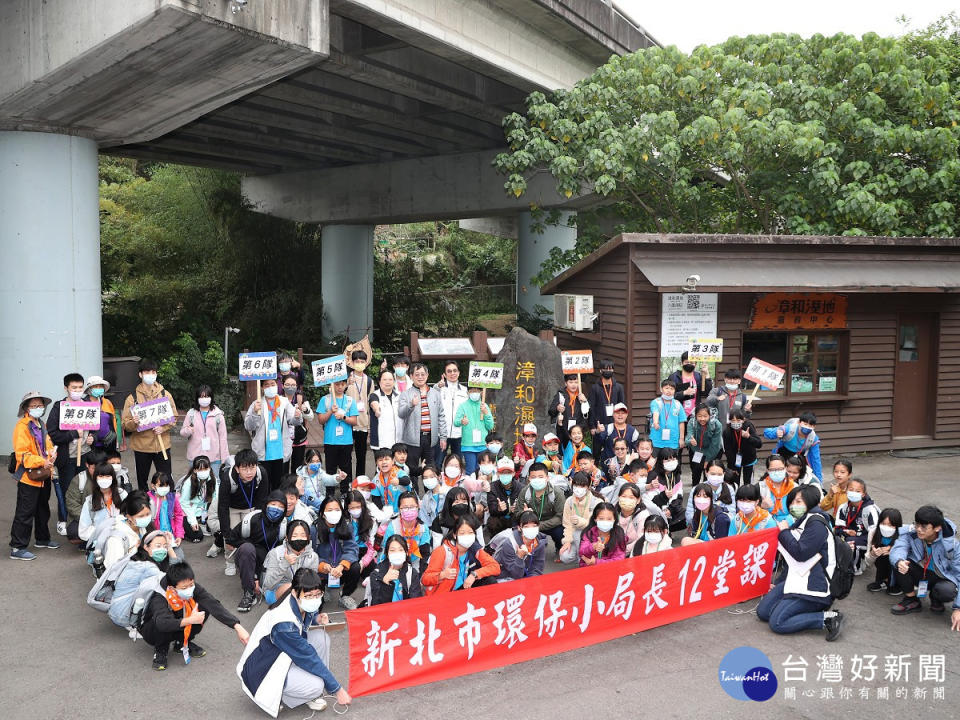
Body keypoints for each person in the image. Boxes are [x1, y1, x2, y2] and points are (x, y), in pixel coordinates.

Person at [238, 568, 352, 714]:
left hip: (278, 654)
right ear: (294, 592)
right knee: (317, 685)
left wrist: (316, 620)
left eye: (318, 594)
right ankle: (279, 693)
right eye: (309, 595)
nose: (314, 599)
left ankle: (302, 690)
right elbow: (309, 657)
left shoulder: (298, 599)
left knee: (321, 637)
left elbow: (304, 621)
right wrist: (337, 690)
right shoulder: (283, 625)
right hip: (262, 669)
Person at [756, 485, 843, 640]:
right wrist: (779, 582)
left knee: (777, 622)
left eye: (799, 501)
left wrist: (784, 532)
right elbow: (791, 560)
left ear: (810, 502)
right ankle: (795, 608)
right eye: (792, 502)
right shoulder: (803, 520)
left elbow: (800, 553)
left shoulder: (816, 523)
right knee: (763, 612)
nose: (793, 506)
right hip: (798, 578)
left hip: (814, 585)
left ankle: (827, 618)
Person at [142, 562, 249, 671]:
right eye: (184, 588)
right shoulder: (159, 596)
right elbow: (162, 623)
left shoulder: (191, 585)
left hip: (178, 620)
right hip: (152, 630)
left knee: (204, 607)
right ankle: (160, 650)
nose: (189, 589)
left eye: (191, 584)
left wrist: (237, 626)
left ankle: (181, 643)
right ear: (172, 588)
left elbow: (212, 603)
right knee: (162, 622)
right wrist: (190, 620)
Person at [890, 505, 960, 629]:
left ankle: (936, 598)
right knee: (899, 564)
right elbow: (899, 548)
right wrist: (899, 560)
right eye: (917, 524)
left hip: (941, 577)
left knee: (947, 590)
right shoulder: (911, 533)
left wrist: (958, 608)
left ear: (937, 528)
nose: (919, 529)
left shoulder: (953, 546)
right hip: (921, 572)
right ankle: (911, 600)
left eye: (924, 526)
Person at [9, 391, 59, 560]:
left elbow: (47, 444)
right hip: (29, 476)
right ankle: (17, 547)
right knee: (25, 512)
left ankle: (42, 539)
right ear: (26, 408)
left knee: (42, 509)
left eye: (40, 405)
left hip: (43, 474)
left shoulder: (41, 424)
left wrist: (52, 453)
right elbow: (21, 455)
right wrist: (42, 461)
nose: (38, 408)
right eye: (34, 405)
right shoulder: (22, 426)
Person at [47, 373, 94, 533]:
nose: (77, 390)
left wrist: (91, 438)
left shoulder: (89, 406)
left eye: (80, 387)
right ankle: (63, 518)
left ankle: (82, 520)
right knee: (67, 490)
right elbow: (52, 433)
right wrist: (73, 434)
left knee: (86, 488)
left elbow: (95, 428)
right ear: (66, 388)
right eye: (74, 388)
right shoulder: (59, 407)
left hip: (85, 455)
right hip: (67, 458)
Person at [121, 359, 177, 492]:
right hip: (142, 447)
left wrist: (163, 428)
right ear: (140, 374)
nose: (151, 374)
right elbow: (125, 424)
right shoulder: (132, 398)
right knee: (142, 481)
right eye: (147, 372)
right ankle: (144, 508)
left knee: (166, 479)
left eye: (153, 372)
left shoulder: (165, 394)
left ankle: (169, 507)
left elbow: (173, 417)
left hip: (162, 444)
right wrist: (134, 423)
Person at [230, 490, 288, 613]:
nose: (276, 509)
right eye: (273, 504)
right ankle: (248, 593)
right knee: (247, 549)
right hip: (249, 558)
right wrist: (252, 545)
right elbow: (231, 538)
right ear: (266, 504)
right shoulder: (253, 519)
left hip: (270, 563)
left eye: (281, 507)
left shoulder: (283, 526)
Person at [107, 529, 174, 632]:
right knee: (163, 593)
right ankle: (140, 625)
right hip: (125, 616)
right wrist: (171, 550)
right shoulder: (148, 567)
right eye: (158, 546)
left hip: (116, 610)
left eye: (165, 546)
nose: (163, 550)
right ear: (146, 547)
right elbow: (175, 578)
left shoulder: (135, 559)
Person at [246, 378, 305, 491]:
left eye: (272, 384)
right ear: (262, 388)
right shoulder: (257, 403)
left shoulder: (283, 402)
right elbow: (249, 426)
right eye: (266, 385)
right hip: (263, 452)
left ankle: (279, 507)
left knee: (280, 486)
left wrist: (298, 416)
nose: (270, 387)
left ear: (277, 385)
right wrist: (254, 412)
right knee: (264, 486)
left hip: (280, 452)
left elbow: (295, 421)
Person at [219, 450, 270, 575]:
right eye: (244, 468)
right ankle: (230, 562)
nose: (249, 472)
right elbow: (223, 507)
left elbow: (262, 499)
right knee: (231, 536)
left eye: (252, 468)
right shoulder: (227, 478)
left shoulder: (261, 474)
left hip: (252, 507)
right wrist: (226, 535)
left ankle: (252, 562)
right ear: (237, 468)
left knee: (252, 535)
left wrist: (257, 520)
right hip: (232, 508)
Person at [421, 514, 500, 594]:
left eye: (470, 532)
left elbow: (495, 567)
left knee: (490, 580)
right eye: (462, 533)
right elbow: (425, 579)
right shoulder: (442, 551)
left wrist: (474, 574)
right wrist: (442, 575)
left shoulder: (474, 549)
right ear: (455, 535)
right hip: (444, 595)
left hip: (464, 590)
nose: (467, 536)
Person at [397, 363, 447, 483]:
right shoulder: (406, 394)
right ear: (411, 376)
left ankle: (430, 494)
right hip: (412, 439)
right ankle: (412, 495)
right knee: (412, 470)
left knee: (430, 469)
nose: (420, 377)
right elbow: (401, 414)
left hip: (431, 438)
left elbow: (441, 415)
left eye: (423, 374)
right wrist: (411, 405)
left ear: (427, 375)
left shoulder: (435, 393)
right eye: (417, 374)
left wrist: (443, 437)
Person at [313, 497, 360, 609]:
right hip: (321, 571)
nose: (334, 513)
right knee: (317, 605)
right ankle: (323, 589)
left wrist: (341, 565)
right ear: (322, 513)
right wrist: (322, 565)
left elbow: (352, 548)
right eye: (329, 510)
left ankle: (345, 595)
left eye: (337, 510)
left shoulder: (347, 526)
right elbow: (310, 554)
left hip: (339, 569)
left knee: (355, 567)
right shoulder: (314, 529)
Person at [262, 519, 320, 604]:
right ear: (287, 537)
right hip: (276, 591)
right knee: (290, 588)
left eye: (303, 535)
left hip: (302, 591)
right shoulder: (276, 553)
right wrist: (285, 563)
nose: (299, 538)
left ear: (308, 537)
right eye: (294, 535)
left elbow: (312, 583)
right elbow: (268, 584)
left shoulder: (313, 556)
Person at [512, 463, 565, 555]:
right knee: (515, 528)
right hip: (530, 523)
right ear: (529, 478)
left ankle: (559, 548)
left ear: (547, 477)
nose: (537, 480)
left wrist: (540, 525)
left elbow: (560, 517)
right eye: (533, 477)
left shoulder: (557, 493)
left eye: (541, 477)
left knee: (560, 531)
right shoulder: (525, 492)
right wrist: (523, 514)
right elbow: (517, 512)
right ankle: (523, 548)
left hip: (550, 523)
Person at [180, 385, 230, 479]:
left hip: (214, 458)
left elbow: (223, 438)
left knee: (214, 482)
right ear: (197, 398)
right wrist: (188, 430)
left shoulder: (218, 415)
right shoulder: (191, 413)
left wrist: (224, 458)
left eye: (207, 396)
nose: (204, 399)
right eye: (202, 397)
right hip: (195, 456)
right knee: (194, 483)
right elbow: (182, 432)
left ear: (211, 398)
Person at [99, 491, 155, 570]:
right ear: (129, 517)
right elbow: (112, 567)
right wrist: (133, 551)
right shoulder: (116, 538)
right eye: (141, 516)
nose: (146, 518)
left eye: (148, 514)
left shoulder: (143, 527)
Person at [379, 491, 433, 573]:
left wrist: (421, 575)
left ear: (418, 507)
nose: (409, 510)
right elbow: (386, 552)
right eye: (405, 507)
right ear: (399, 509)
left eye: (412, 507)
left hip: (415, 564)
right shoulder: (392, 527)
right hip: (395, 563)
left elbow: (425, 554)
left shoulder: (423, 528)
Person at [835, 477, 879, 574]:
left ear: (863, 494)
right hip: (849, 536)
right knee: (837, 540)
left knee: (852, 543)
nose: (854, 492)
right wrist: (846, 532)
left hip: (867, 539)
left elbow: (874, 532)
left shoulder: (870, 509)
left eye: (858, 491)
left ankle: (856, 567)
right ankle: (845, 563)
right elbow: (838, 529)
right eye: (851, 490)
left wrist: (869, 553)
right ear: (846, 490)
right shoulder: (843, 508)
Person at [763, 411, 822, 482]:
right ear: (799, 422)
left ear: (814, 427)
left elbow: (816, 460)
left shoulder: (813, 438)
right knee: (776, 473)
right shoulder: (789, 428)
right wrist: (776, 432)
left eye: (810, 426)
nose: (807, 427)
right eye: (805, 424)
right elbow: (766, 432)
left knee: (801, 475)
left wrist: (819, 481)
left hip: (799, 456)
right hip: (783, 452)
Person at [78, 463, 127, 548]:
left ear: (113, 478)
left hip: (122, 540)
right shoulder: (90, 502)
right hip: (100, 545)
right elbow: (83, 530)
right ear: (95, 478)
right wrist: (102, 534)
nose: (104, 479)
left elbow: (130, 519)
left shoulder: (122, 495)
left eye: (107, 476)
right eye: (101, 476)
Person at [490, 511, 546, 581]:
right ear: (519, 527)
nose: (531, 529)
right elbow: (516, 575)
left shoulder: (539, 543)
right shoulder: (510, 543)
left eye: (534, 526)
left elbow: (537, 569)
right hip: (505, 576)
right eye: (526, 526)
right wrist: (520, 557)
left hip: (524, 574)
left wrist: (532, 581)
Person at [65, 449, 106, 544]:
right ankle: (88, 542)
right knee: (73, 533)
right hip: (85, 517)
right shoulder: (79, 480)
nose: (98, 472)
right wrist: (89, 519)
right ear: (87, 465)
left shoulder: (110, 477)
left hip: (106, 515)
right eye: (94, 468)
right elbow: (72, 504)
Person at [558, 472, 600, 564]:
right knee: (565, 557)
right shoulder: (569, 502)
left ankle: (582, 561)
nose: (578, 489)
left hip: (593, 537)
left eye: (582, 486)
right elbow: (567, 524)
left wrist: (580, 522)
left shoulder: (596, 502)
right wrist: (567, 541)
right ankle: (581, 557)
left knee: (578, 533)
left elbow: (597, 525)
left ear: (588, 487)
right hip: (575, 539)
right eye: (576, 485)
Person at [369, 535, 425, 604]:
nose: (397, 553)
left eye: (400, 550)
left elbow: (415, 603)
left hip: (404, 613)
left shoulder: (411, 574)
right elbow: (376, 605)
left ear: (406, 553)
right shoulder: (376, 573)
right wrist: (385, 582)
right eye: (392, 550)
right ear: (387, 554)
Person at [453, 385, 495, 475]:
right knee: (471, 471)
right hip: (468, 445)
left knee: (482, 470)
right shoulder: (463, 406)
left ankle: (482, 489)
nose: (474, 393)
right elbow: (456, 422)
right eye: (472, 391)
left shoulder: (484, 406)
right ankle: (469, 488)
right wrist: (462, 421)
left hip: (482, 445)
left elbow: (490, 426)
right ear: (468, 393)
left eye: (476, 391)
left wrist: (486, 413)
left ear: (481, 392)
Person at [344, 350, 373, 476]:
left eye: (362, 361)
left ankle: (360, 481)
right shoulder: (345, 378)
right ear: (352, 362)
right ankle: (348, 481)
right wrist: (346, 385)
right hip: (347, 422)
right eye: (357, 361)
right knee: (346, 455)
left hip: (362, 423)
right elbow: (336, 394)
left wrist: (370, 426)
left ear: (366, 363)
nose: (359, 364)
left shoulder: (370, 381)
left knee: (361, 455)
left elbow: (372, 404)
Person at [434, 360, 468, 466]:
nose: (452, 373)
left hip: (460, 433)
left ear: (459, 372)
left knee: (457, 463)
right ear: (444, 374)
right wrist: (437, 387)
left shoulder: (465, 390)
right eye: (449, 371)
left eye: (455, 370)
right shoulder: (439, 389)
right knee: (438, 463)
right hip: (442, 433)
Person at [587, 359, 626, 453]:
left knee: (613, 449)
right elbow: (591, 407)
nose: (608, 371)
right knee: (597, 451)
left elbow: (622, 406)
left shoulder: (619, 387)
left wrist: (621, 422)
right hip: (600, 424)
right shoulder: (595, 388)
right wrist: (592, 426)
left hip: (614, 423)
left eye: (610, 369)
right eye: (605, 369)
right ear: (600, 371)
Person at [179, 456, 217, 546]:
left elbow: (216, 498)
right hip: (188, 511)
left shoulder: (212, 479)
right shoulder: (188, 483)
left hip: (204, 510)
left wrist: (212, 514)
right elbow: (184, 503)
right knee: (197, 536)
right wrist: (192, 521)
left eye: (206, 468)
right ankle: (181, 526)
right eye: (200, 469)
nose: (203, 471)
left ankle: (201, 522)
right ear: (195, 470)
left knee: (215, 529)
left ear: (209, 468)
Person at [684, 459, 735, 525]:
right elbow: (689, 515)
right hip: (700, 526)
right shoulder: (696, 489)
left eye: (719, 474)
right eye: (713, 474)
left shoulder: (729, 489)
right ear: (706, 473)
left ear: (724, 474)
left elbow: (731, 514)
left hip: (722, 527)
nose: (716, 477)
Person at [865, 508, 904, 595]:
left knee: (893, 558)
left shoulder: (902, 534)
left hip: (899, 563)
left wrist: (892, 551)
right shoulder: (873, 532)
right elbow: (868, 562)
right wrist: (873, 554)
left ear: (897, 526)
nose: (886, 527)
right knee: (882, 556)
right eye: (883, 524)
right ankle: (883, 580)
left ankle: (897, 583)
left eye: (890, 525)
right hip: (881, 562)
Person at [615, 483, 661, 555]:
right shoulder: (613, 513)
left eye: (631, 497)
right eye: (624, 496)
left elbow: (640, 539)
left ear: (638, 500)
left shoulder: (642, 515)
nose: (627, 500)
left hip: (635, 552)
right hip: (614, 553)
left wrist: (623, 551)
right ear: (618, 497)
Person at [721, 409, 763, 485]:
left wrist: (748, 437)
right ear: (729, 421)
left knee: (748, 482)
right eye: (733, 420)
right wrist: (732, 466)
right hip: (735, 460)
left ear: (743, 420)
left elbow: (759, 444)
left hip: (749, 458)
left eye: (738, 420)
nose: (735, 422)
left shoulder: (748, 426)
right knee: (734, 481)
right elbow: (728, 450)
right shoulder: (727, 431)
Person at [685, 402, 722, 484]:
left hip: (713, 450)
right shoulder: (692, 422)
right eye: (699, 416)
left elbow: (715, 445)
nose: (702, 419)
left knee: (709, 474)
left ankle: (708, 492)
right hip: (697, 450)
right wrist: (690, 441)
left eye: (705, 416)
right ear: (696, 416)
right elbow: (688, 437)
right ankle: (695, 490)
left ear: (709, 415)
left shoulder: (716, 425)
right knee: (696, 472)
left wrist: (707, 460)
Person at [646, 448, 683, 530]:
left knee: (687, 515)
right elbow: (650, 501)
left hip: (670, 509)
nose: (671, 462)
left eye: (673, 459)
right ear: (660, 461)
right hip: (656, 510)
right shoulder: (653, 475)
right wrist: (664, 496)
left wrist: (670, 509)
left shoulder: (676, 475)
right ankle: (661, 529)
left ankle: (668, 528)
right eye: (667, 460)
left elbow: (679, 497)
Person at [649, 380, 684, 466]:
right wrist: (656, 422)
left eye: (671, 388)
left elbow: (681, 422)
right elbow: (655, 413)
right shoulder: (656, 402)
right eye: (666, 388)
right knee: (653, 462)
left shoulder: (678, 404)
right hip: (657, 438)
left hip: (673, 439)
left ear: (674, 391)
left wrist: (681, 438)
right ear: (661, 389)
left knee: (671, 463)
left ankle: (672, 479)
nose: (669, 391)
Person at [486, 458, 524, 536]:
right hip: (501, 518)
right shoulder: (492, 487)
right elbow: (491, 509)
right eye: (502, 472)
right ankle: (495, 542)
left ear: (513, 473)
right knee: (492, 521)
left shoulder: (521, 487)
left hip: (515, 518)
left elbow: (526, 505)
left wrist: (518, 508)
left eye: (508, 472)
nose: (505, 475)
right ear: (497, 474)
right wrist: (499, 509)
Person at [84, 374, 121, 453]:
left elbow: (113, 422)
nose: (99, 388)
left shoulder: (107, 402)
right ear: (89, 389)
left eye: (101, 386)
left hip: (109, 443)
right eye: (95, 386)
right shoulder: (83, 404)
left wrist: (115, 439)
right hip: (91, 446)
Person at [147, 472, 185, 546]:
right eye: (161, 485)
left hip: (171, 536)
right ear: (153, 486)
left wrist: (179, 535)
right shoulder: (148, 499)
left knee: (179, 557)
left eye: (166, 485)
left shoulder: (172, 498)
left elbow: (179, 516)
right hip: (155, 537)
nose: (164, 488)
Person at [758, 454, 796, 525]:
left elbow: (800, 511)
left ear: (785, 468)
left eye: (780, 469)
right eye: (773, 470)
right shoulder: (760, 487)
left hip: (790, 524)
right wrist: (761, 506)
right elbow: (750, 510)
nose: (777, 472)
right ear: (767, 470)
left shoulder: (794, 487)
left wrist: (788, 521)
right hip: (767, 525)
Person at [369, 370, 400, 452]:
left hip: (398, 441)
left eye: (390, 379)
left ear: (394, 382)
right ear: (379, 382)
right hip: (381, 442)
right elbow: (374, 404)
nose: (388, 382)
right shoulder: (375, 395)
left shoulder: (399, 396)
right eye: (385, 379)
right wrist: (377, 410)